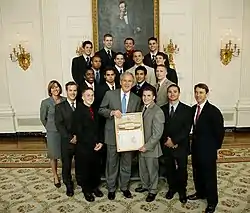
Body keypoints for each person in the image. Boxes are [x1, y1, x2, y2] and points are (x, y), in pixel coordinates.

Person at [99, 72, 141, 200]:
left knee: (126, 163)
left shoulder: (137, 99)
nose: (127, 83)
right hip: (112, 135)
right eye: (125, 81)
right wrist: (111, 112)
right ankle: (111, 188)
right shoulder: (110, 94)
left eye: (130, 81)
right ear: (120, 82)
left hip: (128, 138)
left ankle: (124, 187)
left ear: (132, 83)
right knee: (111, 163)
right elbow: (101, 109)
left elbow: (138, 118)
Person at [187, 83, 224, 213]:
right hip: (196, 148)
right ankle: (200, 193)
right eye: (196, 92)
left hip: (208, 150)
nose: (198, 95)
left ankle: (212, 202)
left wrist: (214, 149)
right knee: (197, 173)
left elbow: (220, 133)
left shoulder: (213, 111)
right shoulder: (193, 109)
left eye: (201, 92)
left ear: (206, 94)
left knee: (209, 176)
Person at [161, 84, 193, 204]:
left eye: (175, 91)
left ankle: (182, 190)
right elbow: (160, 128)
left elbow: (186, 129)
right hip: (166, 144)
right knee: (169, 168)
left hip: (181, 144)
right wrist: (167, 141)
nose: (172, 94)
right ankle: (172, 188)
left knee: (182, 169)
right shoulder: (162, 109)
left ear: (179, 93)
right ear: (167, 94)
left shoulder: (187, 109)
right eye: (170, 92)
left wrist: (174, 141)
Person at [71, 87, 104, 202]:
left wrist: (100, 142)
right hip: (84, 147)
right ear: (82, 97)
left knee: (95, 168)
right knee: (85, 170)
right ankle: (87, 190)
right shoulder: (78, 112)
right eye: (88, 95)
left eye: (92, 95)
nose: (91, 97)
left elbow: (100, 128)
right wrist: (92, 144)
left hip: (96, 146)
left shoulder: (94, 110)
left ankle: (95, 187)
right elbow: (79, 132)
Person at [136, 86, 165, 202]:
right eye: (144, 95)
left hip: (151, 148)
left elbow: (158, 134)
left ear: (153, 97)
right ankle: (145, 186)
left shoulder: (157, 111)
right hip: (140, 145)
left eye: (149, 96)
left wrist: (146, 146)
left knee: (152, 170)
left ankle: (152, 190)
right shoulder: (143, 108)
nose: (146, 98)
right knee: (142, 169)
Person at [40, 80, 66, 188]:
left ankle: (66, 175)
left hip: (64, 131)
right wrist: (50, 127)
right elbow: (43, 118)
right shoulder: (45, 102)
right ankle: (55, 175)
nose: (55, 89)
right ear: (50, 90)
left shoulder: (64, 100)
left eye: (57, 87)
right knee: (53, 155)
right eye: (53, 87)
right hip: (52, 132)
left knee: (64, 154)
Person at [55, 81, 78, 197]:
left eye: (75, 90)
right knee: (67, 165)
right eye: (70, 90)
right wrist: (70, 138)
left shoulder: (82, 105)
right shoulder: (59, 107)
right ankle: (68, 185)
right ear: (66, 91)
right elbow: (59, 125)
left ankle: (82, 182)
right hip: (66, 141)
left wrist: (78, 137)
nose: (73, 93)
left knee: (80, 163)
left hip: (80, 141)